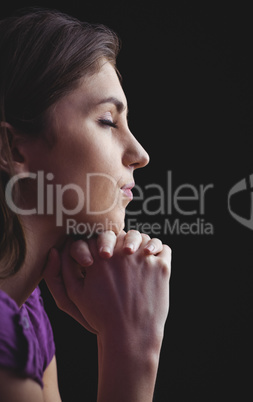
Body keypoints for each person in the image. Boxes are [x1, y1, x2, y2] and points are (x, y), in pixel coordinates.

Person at [0, 8, 171, 402]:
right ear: (12, 148)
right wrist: (133, 346)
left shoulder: (27, 313)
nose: (141, 154)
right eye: (108, 121)